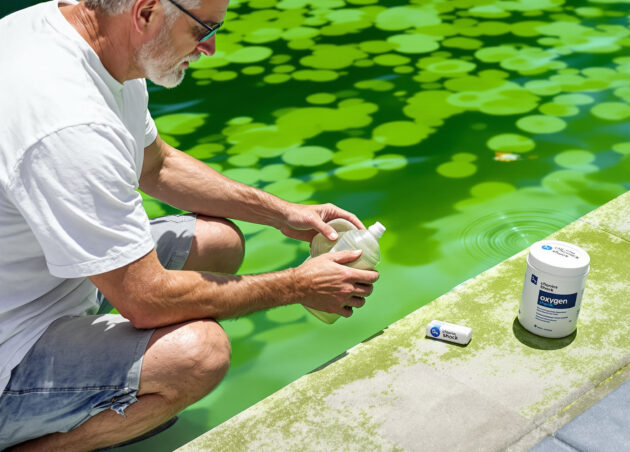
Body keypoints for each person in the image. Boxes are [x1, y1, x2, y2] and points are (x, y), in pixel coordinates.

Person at [0, 0, 379, 449]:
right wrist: (298, 285)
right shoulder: (66, 122)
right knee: (198, 355)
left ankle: (108, 394)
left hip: (43, 282)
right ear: (144, 14)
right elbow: (145, 299)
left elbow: (157, 167)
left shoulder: (95, 41)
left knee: (217, 242)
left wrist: (283, 212)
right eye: (202, 29)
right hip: (13, 343)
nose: (211, 47)